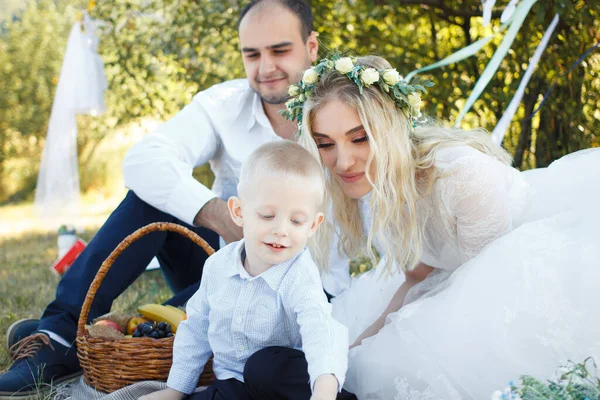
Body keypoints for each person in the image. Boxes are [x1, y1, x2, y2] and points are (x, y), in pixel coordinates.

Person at [0, 0, 327, 397]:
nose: (265, 67)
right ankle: (59, 331)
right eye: (251, 54)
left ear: (311, 47)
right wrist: (219, 216)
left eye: (279, 50)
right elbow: (144, 159)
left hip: (298, 290)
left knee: (182, 324)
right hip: (224, 263)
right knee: (151, 197)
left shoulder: (340, 117)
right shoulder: (224, 104)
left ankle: (84, 347)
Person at [288, 54, 600, 399]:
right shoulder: (379, 184)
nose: (343, 162)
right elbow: (417, 276)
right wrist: (353, 350)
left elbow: (486, 300)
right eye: (326, 144)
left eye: (360, 138)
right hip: (462, 284)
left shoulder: (462, 178)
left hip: (533, 287)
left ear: (389, 129)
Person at [140, 141, 356, 400]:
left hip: (283, 380)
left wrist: (324, 392)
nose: (281, 229)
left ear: (312, 225)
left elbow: (320, 331)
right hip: (234, 382)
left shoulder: (299, 274)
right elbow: (196, 327)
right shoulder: (218, 266)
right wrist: (176, 390)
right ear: (239, 212)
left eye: (296, 221)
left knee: (262, 366)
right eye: (267, 215)